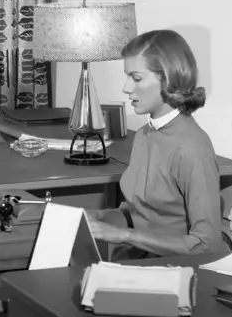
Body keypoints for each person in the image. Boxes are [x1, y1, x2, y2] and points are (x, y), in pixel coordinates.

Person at [86, 29, 223, 260]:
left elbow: (206, 245)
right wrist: (101, 217)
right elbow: (141, 213)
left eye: (136, 78)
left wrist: (125, 236)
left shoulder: (192, 149)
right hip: (134, 261)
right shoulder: (144, 135)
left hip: (172, 272)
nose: (126, 88)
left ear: (167, 79)